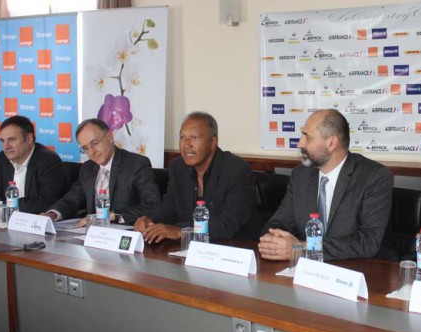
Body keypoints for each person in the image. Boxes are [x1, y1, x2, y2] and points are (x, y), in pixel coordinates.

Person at [258, 109, 392, 261]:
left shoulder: (373, 176)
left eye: (307, 137)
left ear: (331, 143)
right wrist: (274, 240)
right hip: (305, 269)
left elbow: (368, 241)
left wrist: (304, 248)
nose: (300, 143)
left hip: (352, 268)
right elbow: (278, 222)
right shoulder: (301, 174)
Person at [134, 112, 256, 242]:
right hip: (188, 248)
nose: (186, 145)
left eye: (194, 137)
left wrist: (181, 231)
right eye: (182, 137)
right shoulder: (178, 167)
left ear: (213, 142)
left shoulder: (236, 170)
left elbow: (228, 225)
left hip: (231, 247)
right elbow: (169, 210)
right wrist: (150, 221)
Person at [43, 118, 161, 225]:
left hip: (124, 232)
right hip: (92, 233)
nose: (91, 152)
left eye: (94, 143)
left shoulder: (136, 164)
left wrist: (114, 216)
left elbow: (153, 205)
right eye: (85, 148)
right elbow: (72, 200)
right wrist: (52, 214)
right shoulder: (88, 168)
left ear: (110, 137)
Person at [0, 115, 65, 215]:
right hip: (7, 221)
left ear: (29, 138)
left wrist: (1, 206)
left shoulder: (48, 161)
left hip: (35, 221)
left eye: (11, 140)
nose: (6, 146)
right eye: (3, 141)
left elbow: (47, 202)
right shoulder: (2, 159)